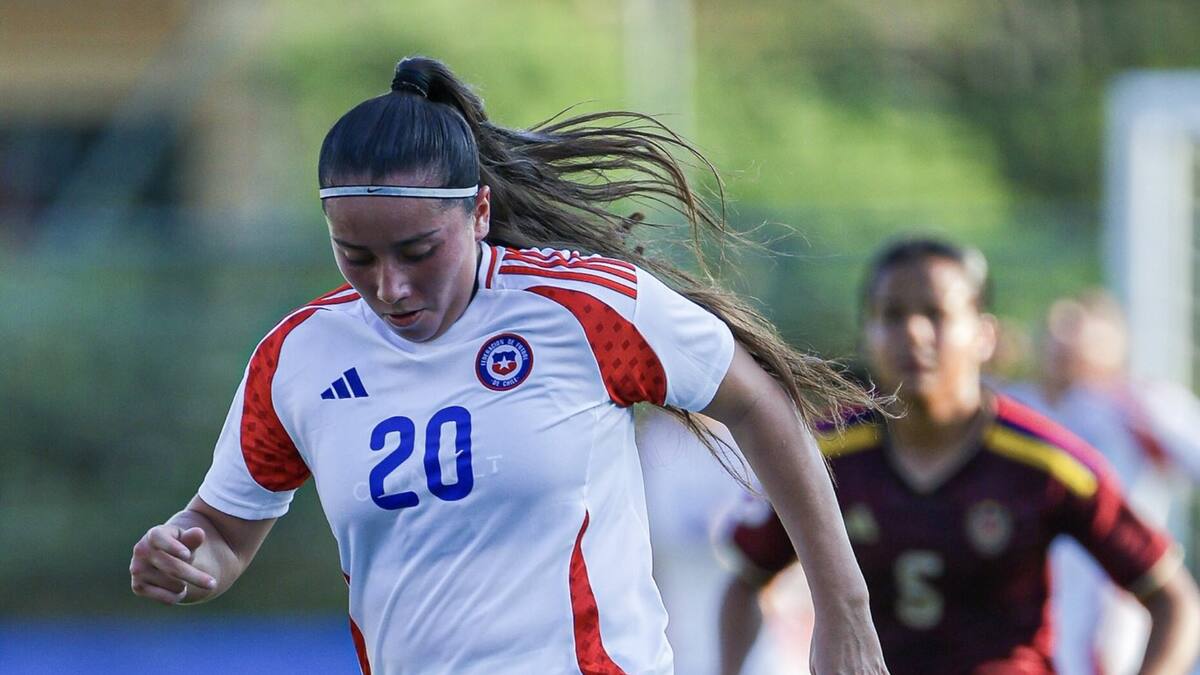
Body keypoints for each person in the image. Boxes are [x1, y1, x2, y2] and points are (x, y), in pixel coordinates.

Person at [128, 56, 888, 675]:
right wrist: (187, 554)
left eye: (418, 251)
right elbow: (225, 530)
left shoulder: (585, 309)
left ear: (479, 214)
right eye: (355, 255)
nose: (389, 285)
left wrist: (844, 612)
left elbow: (758, 404)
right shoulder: (297, 357)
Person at [716, 238, 1200, 675]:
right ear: (868, 331)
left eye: (936, 313)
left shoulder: (1047, 462)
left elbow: (1172, 597)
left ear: (985, 335)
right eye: (892, 314)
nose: (914, 333)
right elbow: (744, 581)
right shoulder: (823, 454)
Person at [1007, 291, 1200, 675]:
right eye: (1058, 325)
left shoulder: (1141, 407)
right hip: (1021, 598)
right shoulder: (1010, 408)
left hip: (1116, 601)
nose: (1065, 340)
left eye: (1080, 328)